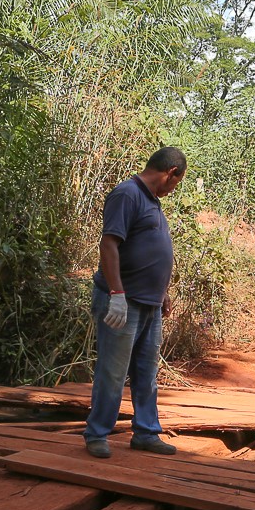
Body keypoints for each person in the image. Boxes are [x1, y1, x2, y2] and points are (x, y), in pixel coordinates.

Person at [84, 146, 187, 459]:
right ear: (171, 173)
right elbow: (109, 244)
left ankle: (145, 432)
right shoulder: (127, 195)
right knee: (113, 372)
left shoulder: (151, 201)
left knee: (145, 372)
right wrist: (116, 294)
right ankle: (97, 434)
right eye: (176, 183)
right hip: (123, 303)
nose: (174, 190)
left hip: (149, 304)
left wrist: (163, 292)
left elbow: (148, 251)